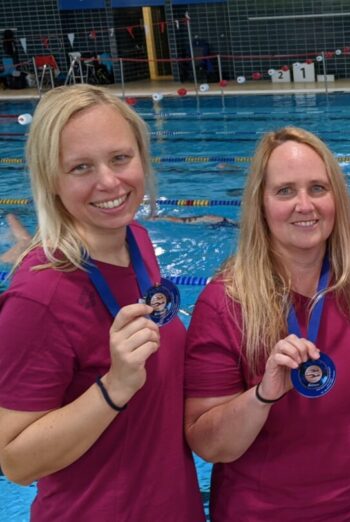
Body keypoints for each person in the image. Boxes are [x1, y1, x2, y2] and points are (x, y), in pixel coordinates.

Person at [184, 126, 350, 521]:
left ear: (336, 199)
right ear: (261, 204)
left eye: (318, 189)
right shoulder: (225, 303)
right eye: (285, 191)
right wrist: (263, 395)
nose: (304, 205)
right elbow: (209, 446)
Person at [0, 84, 204, 522]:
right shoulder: (38, 298)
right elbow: (14, 461)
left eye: (119, 158)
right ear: (52, 181)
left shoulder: (137, 242)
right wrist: (115, 386)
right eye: (80, 167)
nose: (109, 182)